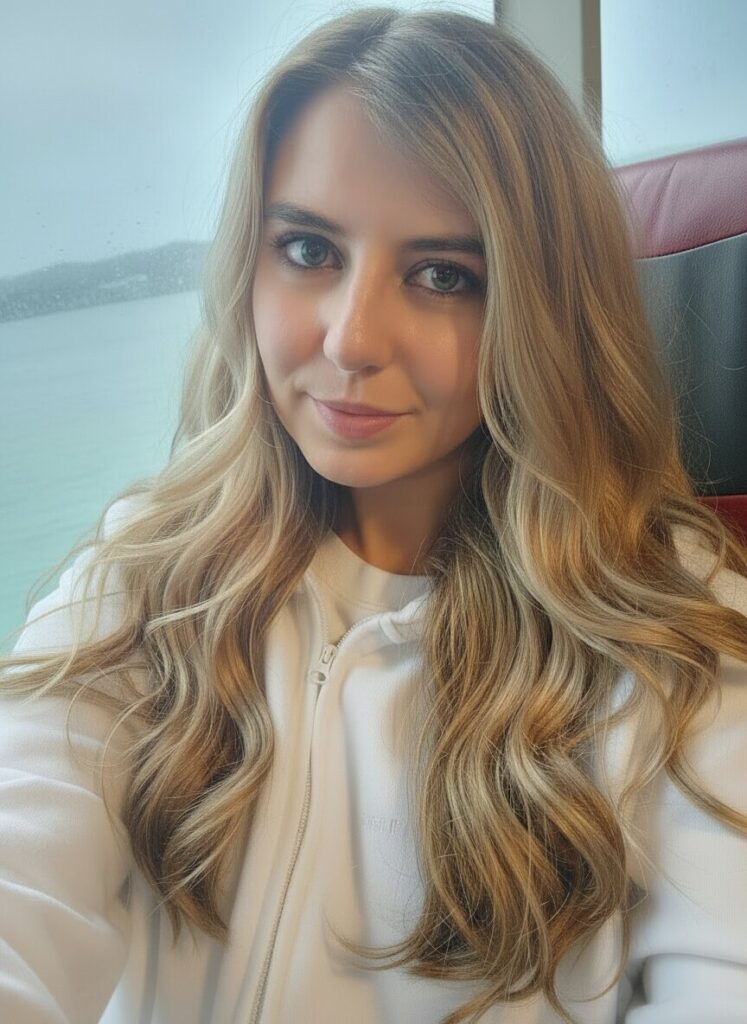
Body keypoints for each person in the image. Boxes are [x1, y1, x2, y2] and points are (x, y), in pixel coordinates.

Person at [1, 5, 746, 1023]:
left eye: (443, 275)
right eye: (309, 249)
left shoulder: (675, 638)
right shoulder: (145, 575)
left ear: (543, 309)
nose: (352, 339)